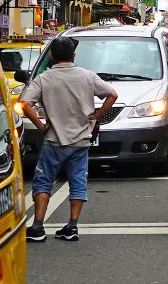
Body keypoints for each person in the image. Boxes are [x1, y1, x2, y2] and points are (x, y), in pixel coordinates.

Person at [20, 37, 119, 242]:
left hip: (53, 140)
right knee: (78, 181)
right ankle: (72, 226)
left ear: (52, 56)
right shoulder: (87, 76)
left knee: (43, 181)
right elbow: (112, 95)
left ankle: (37, 226)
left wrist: (40, 126)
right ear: (73, 55)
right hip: (81, 141)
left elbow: (24, 104)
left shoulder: (44, 78)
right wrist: (97, 115)